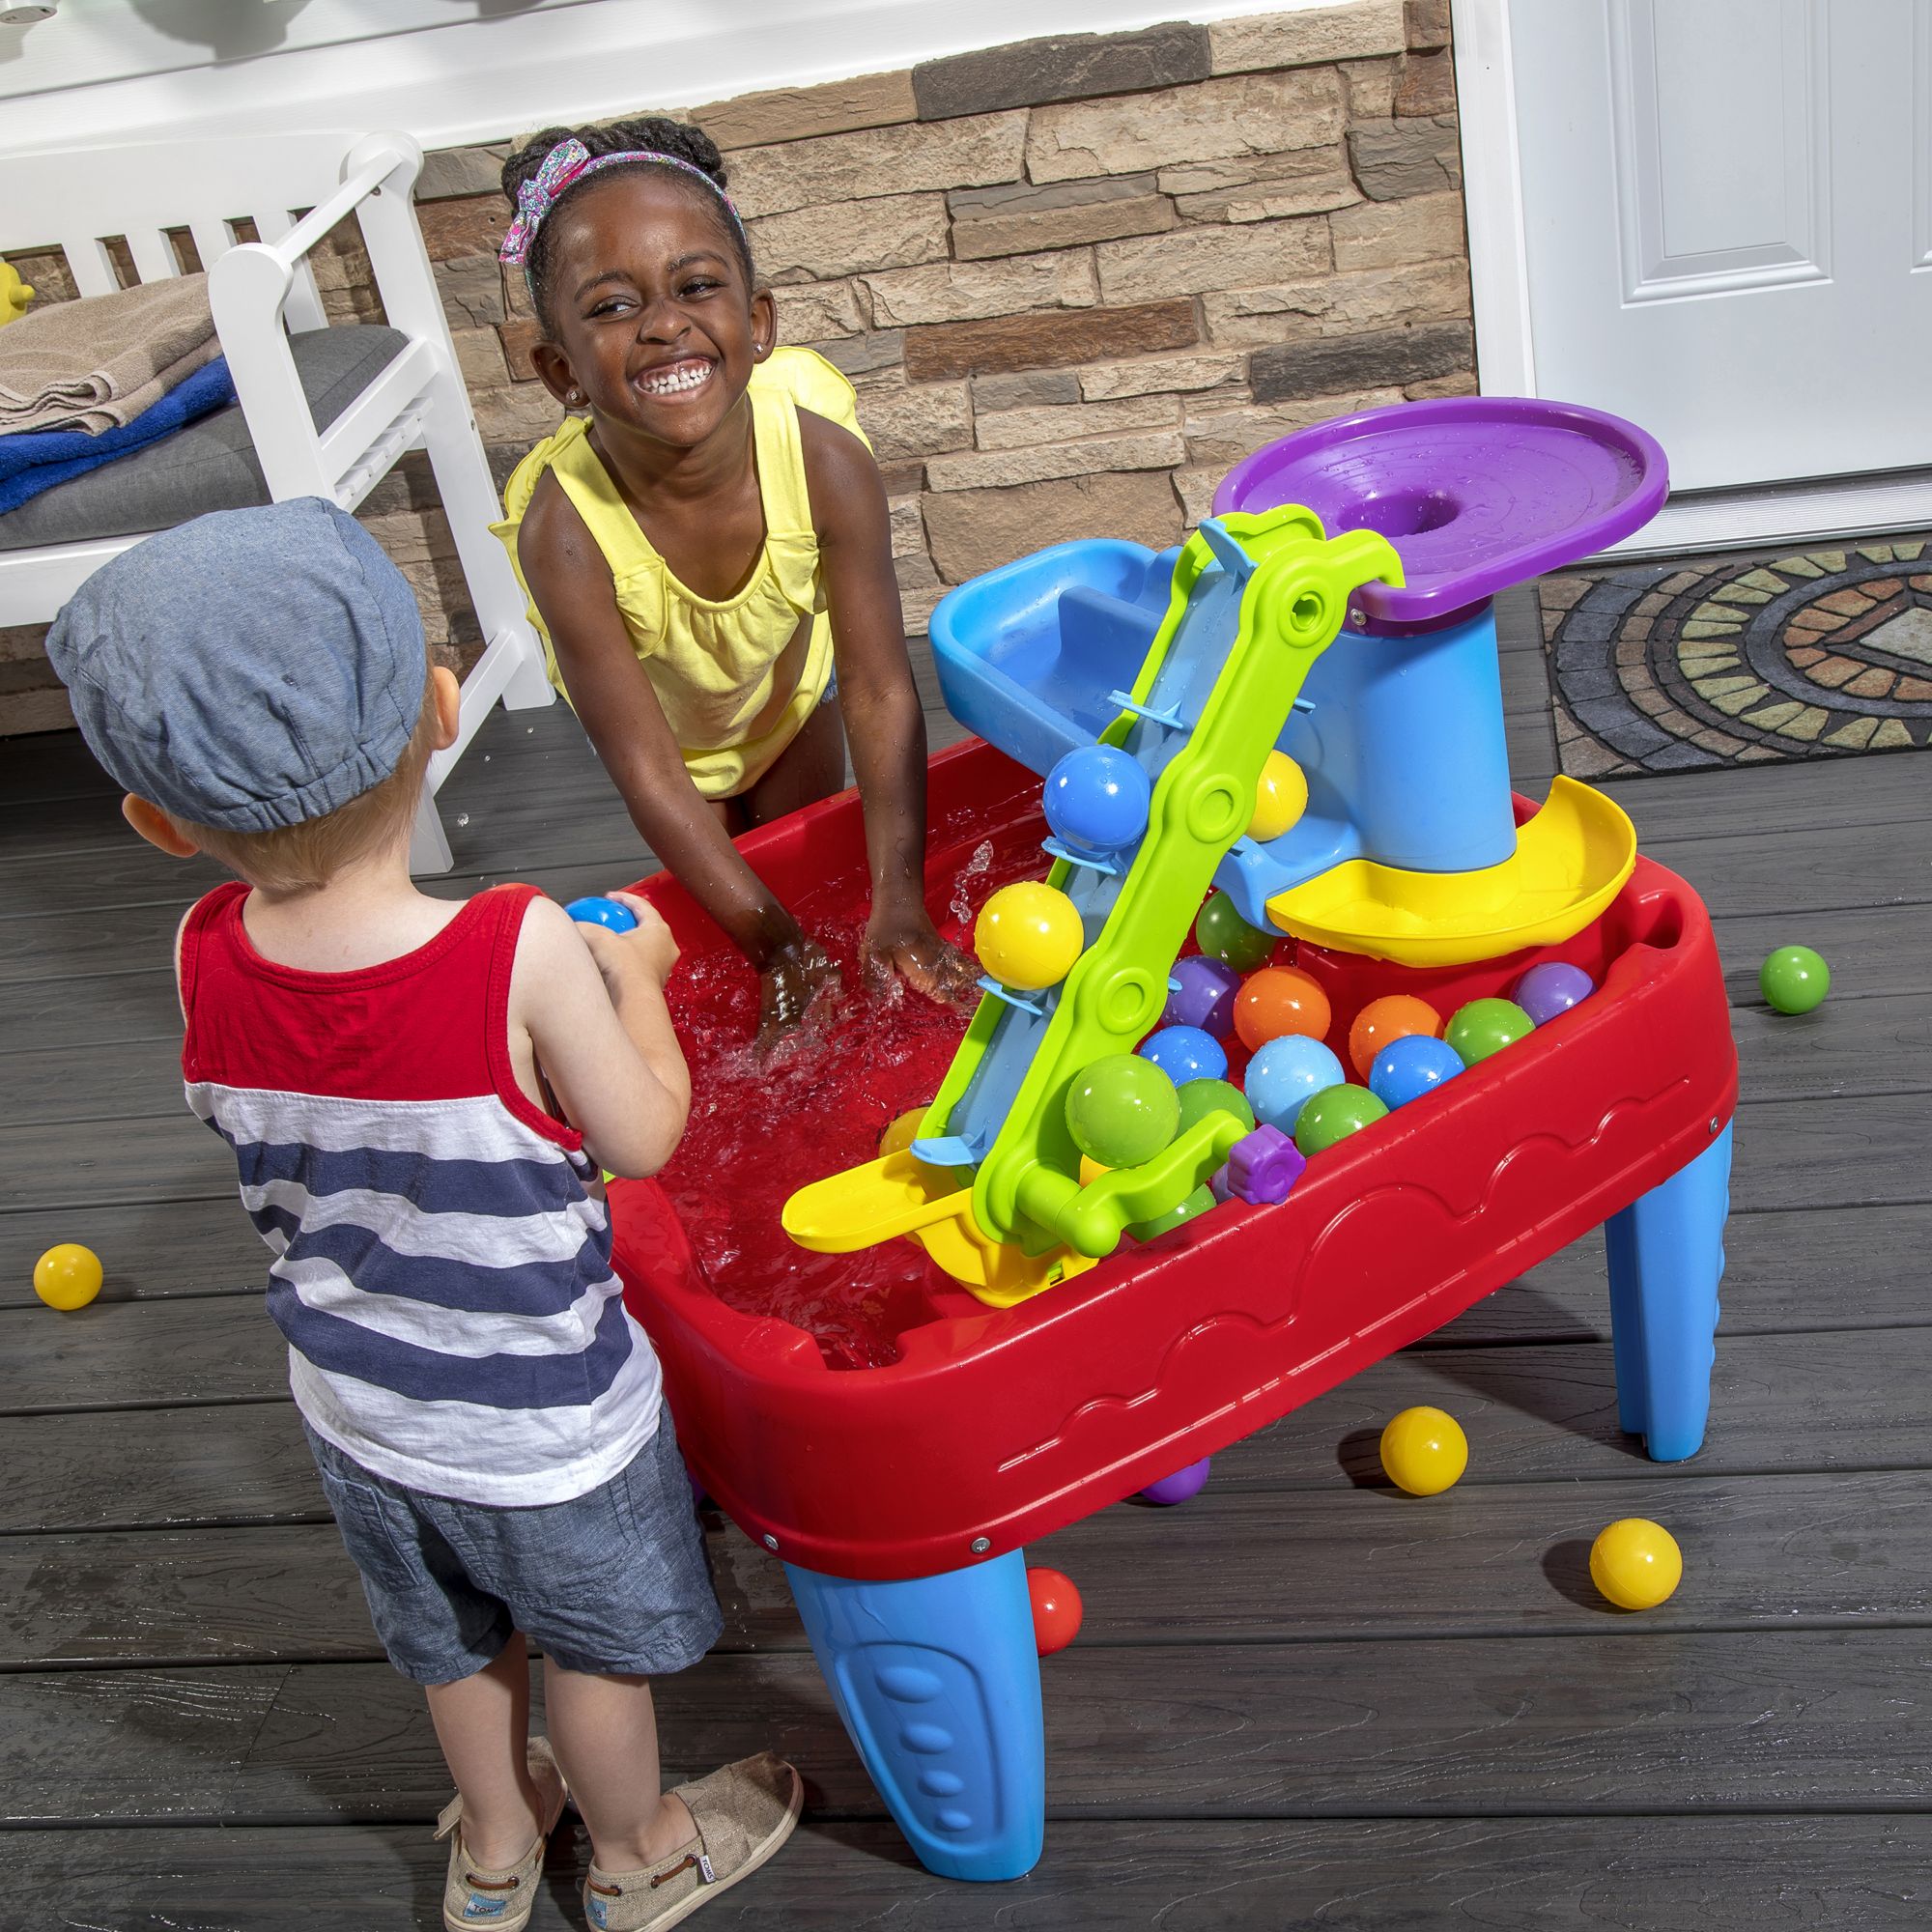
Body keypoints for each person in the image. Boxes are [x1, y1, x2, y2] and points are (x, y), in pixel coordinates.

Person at [46, 500, 800, 1932]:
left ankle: (500, 1849)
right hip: (548, 1429)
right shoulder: (514, 946)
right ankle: (638, 1855)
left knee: (455, 1647)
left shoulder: (202, 951)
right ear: (443, 712)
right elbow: (641, 1134)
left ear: (157, 825)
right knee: (588, 1650)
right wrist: (634, 973)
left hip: (360, 1412)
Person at [491, 117, 977, 1041]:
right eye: (610, 307)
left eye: (697, 287)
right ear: (560, 369)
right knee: (752, 921)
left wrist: (901, 902)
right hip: (671, 751)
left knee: (822, 887)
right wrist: (774, 950)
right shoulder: (566, 532)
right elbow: (646, 770)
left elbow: (876, 687)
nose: (665, 324)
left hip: (789, 705)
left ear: (756, 325)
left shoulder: (825, 465)